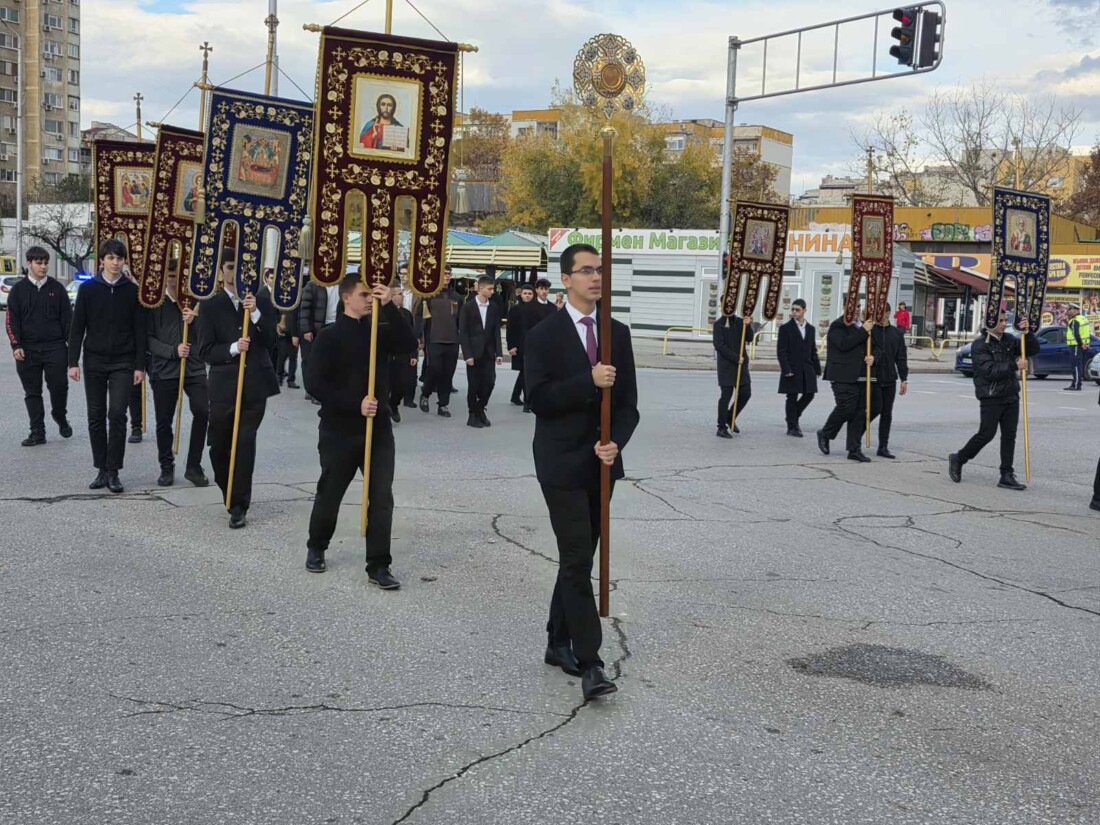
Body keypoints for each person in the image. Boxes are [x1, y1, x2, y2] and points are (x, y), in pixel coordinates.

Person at [525, 243, 640, 701]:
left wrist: (616, 443)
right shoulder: (544, 334)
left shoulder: (618, 333)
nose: (596, 277)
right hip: (560, 464)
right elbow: (539, 398)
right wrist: (587, 382)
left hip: (601, 464)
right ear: (566, 278)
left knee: (578, 557)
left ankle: (556, 640)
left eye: (601, 270)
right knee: (576, 557)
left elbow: (629, 406)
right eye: (587, 270)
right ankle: (592, 661)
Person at [304, 274, 417, 587]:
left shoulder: (379, 331)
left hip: (378, 429)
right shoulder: (329, 336)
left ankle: (378, 565)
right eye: (364, 294)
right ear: (346, 298)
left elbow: (408, 344)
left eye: (372, 295)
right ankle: (317, 546)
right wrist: (355, 403)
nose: (370, 299)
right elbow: (314, 383)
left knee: (381, 497)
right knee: (331, 491)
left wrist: (389, 307)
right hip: (339, 429)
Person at [197, 249, 279, 528]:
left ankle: (239, 505)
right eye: (230, 267)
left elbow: (271, 340)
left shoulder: (262, 301)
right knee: (219, 446)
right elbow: (205, 350)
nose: (235, 273)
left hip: (255, 385)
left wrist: (255, 313)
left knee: (244, 444)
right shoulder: (210, 305)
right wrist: (233, 348)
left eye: (241, 267)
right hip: (223, 387)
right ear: (221, 272)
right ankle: (228, 491)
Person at [67, 239, 146, 493]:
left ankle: (114, 471)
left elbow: (140, 331)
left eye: (119, 258)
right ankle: (101, 468)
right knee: (96, 415)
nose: (115, 262)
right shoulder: (88, 289)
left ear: (124, 261)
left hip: (124, 361)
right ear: (101, 260)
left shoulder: (132, 291)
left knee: (117, 414)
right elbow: (77, 327)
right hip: (94, 361)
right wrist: (72, 362)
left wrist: (139, 366)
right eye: (111, 258)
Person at [949, 314, 1039, 490]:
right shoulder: (980, 344)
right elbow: (988, 370)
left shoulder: (1009, 340)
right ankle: (959, 458)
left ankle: (1006, 474)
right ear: (989, 323)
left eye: (1006, 321)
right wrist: (1015, 366)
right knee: (986, 434)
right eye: (1001, 321)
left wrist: (1027, 333)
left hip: (1011, 394)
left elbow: (1032, 350)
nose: (1004, 324)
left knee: (1009, 435)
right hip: (991, 395)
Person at [145, 269, 210, 488]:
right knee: (164, 419)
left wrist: (195, 320)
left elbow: (207, 334)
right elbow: (148, 339)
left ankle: (194, 465)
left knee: (202, 410)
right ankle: (166, 465)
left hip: (194, 366)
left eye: (179, 276)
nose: (174, 280)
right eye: (170, 275)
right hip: (165, 369)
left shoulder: (195, 301)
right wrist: (173, 351)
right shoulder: (154, 303)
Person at [6, 246, 72, 446]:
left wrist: (73, 348)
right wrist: (16, 345)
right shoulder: (18, 290)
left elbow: (68, 320)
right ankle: (37, 432)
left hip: (55, 348)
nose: (43, 267)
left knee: (59, 387)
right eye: (38, 263)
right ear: (29, 264)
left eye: (45, 263)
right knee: (32, 392)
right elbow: (11, 321)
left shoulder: (57, 288)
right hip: (28, 349)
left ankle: (59, 416)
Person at [816, 313, 876, 462]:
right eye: (852, 306)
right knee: (846, 407)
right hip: (841, 375)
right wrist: (863, 330)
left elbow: (874, 345)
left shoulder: (862, 325)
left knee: (859, 412)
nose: (855, 310)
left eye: (858, 307)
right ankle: (825, 432)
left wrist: (873, 357)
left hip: (860, 374)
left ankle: (854, 449)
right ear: (845, 306)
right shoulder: (838, 325)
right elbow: (844, 344)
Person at [459, 275, 504, 428]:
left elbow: (496, 331)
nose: (492, 291)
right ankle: (472, 414)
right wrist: (467, 355)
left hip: (489, 352)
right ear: (481, 288)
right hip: (473, 352)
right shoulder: (468, 307)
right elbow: (463, 332)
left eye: (493, 288)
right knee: (474, 385)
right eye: (490, 289)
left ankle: (480, 408)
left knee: (489, 382)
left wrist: (499, 353)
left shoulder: (494, 307)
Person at [869, 304, 909, 459]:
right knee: (874, 409)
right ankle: (856, 434)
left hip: (890, 378)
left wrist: (904, 378)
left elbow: (901, 357)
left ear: (887, 313)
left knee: (887, 413)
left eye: (881, 312)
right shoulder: (871, 331)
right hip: (874, 377)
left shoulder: (896, 333)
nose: (878, 315)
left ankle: (883, 446)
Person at [776, 299, 821, 437]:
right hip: (792, 367)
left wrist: (817, 368)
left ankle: (793, 416)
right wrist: (786, 369)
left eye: (797, 310)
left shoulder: (811, 329)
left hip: (807, 367)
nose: (794, 312)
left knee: (809, 394)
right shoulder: (785, 328)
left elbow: (812, 350)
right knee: (792, 396)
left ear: (804, 310)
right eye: (793, 309)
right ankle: (792, 426)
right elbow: (781, 351)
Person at [419, 267, 460, 417]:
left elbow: (460, 319)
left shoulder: (456, 297)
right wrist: (420, 338)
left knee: (448, 374)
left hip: (453, 341)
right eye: (444, 274)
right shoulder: (428, 296)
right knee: (434, 369)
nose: (447, 277)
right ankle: (425, 394)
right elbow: (423, 318)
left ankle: (443, 404)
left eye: (449, 274)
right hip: (434, 339)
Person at [298, 277, 340, 404]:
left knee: (328, 361)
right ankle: (311, 390)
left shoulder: (342, 285)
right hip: (316, 328)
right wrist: (306, 329)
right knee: (311, 360)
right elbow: (304, 308)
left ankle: (324, 391)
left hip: (334, 325)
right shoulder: (313, 285)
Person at [712, 312, 754, 438]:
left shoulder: (740, 321)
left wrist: (748, 325)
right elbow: (719, 345)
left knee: (746, 393)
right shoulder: (719, 324)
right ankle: (721, 427)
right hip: (727, 366)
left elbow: (749, 338)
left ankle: (730, 417)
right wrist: (736, 358)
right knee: (726, 395)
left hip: (741, 366)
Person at [388, 283, 419, 420]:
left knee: (402, 384)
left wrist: (414, 354)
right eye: (399, 294)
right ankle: (384, 410)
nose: (402, 296)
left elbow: (411, 335)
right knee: (385, 384)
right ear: (391, 296)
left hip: (403, 354)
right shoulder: (381, 312)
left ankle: (393, 404)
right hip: (387, 354)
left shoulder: (406, 314)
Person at [507, 282, 536, 410]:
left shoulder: (537, 309)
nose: (527, 296)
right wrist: (510, 346)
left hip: (533, 346)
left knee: (525, 372)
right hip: (519, 345)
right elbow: (510, 329)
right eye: (525, 293)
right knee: (525, 372)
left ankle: (515, 396)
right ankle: (527, 402)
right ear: (521, 295)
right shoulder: (515, 309)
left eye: (530, 294)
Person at [1065, 305, 1090, 391]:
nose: (1068, 311)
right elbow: (1086, 333)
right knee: (1078, 365)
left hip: (1076, 346)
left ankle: (1076, 385)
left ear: (1075, 310)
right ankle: (1075, 383)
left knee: (1075, 366)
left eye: (1069, 310)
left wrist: (1080, 344)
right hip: (1082, 346)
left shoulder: (1075, 320)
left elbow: (1076, 334)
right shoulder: (1083, 318)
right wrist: (1086, 343)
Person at [275, 305, 300, 389]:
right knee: (282, 356)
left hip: (293, 330)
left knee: (293, 357)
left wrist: (295, 334)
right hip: (284, 330)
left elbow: (295, 317)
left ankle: (291, 380)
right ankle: (279, 377)